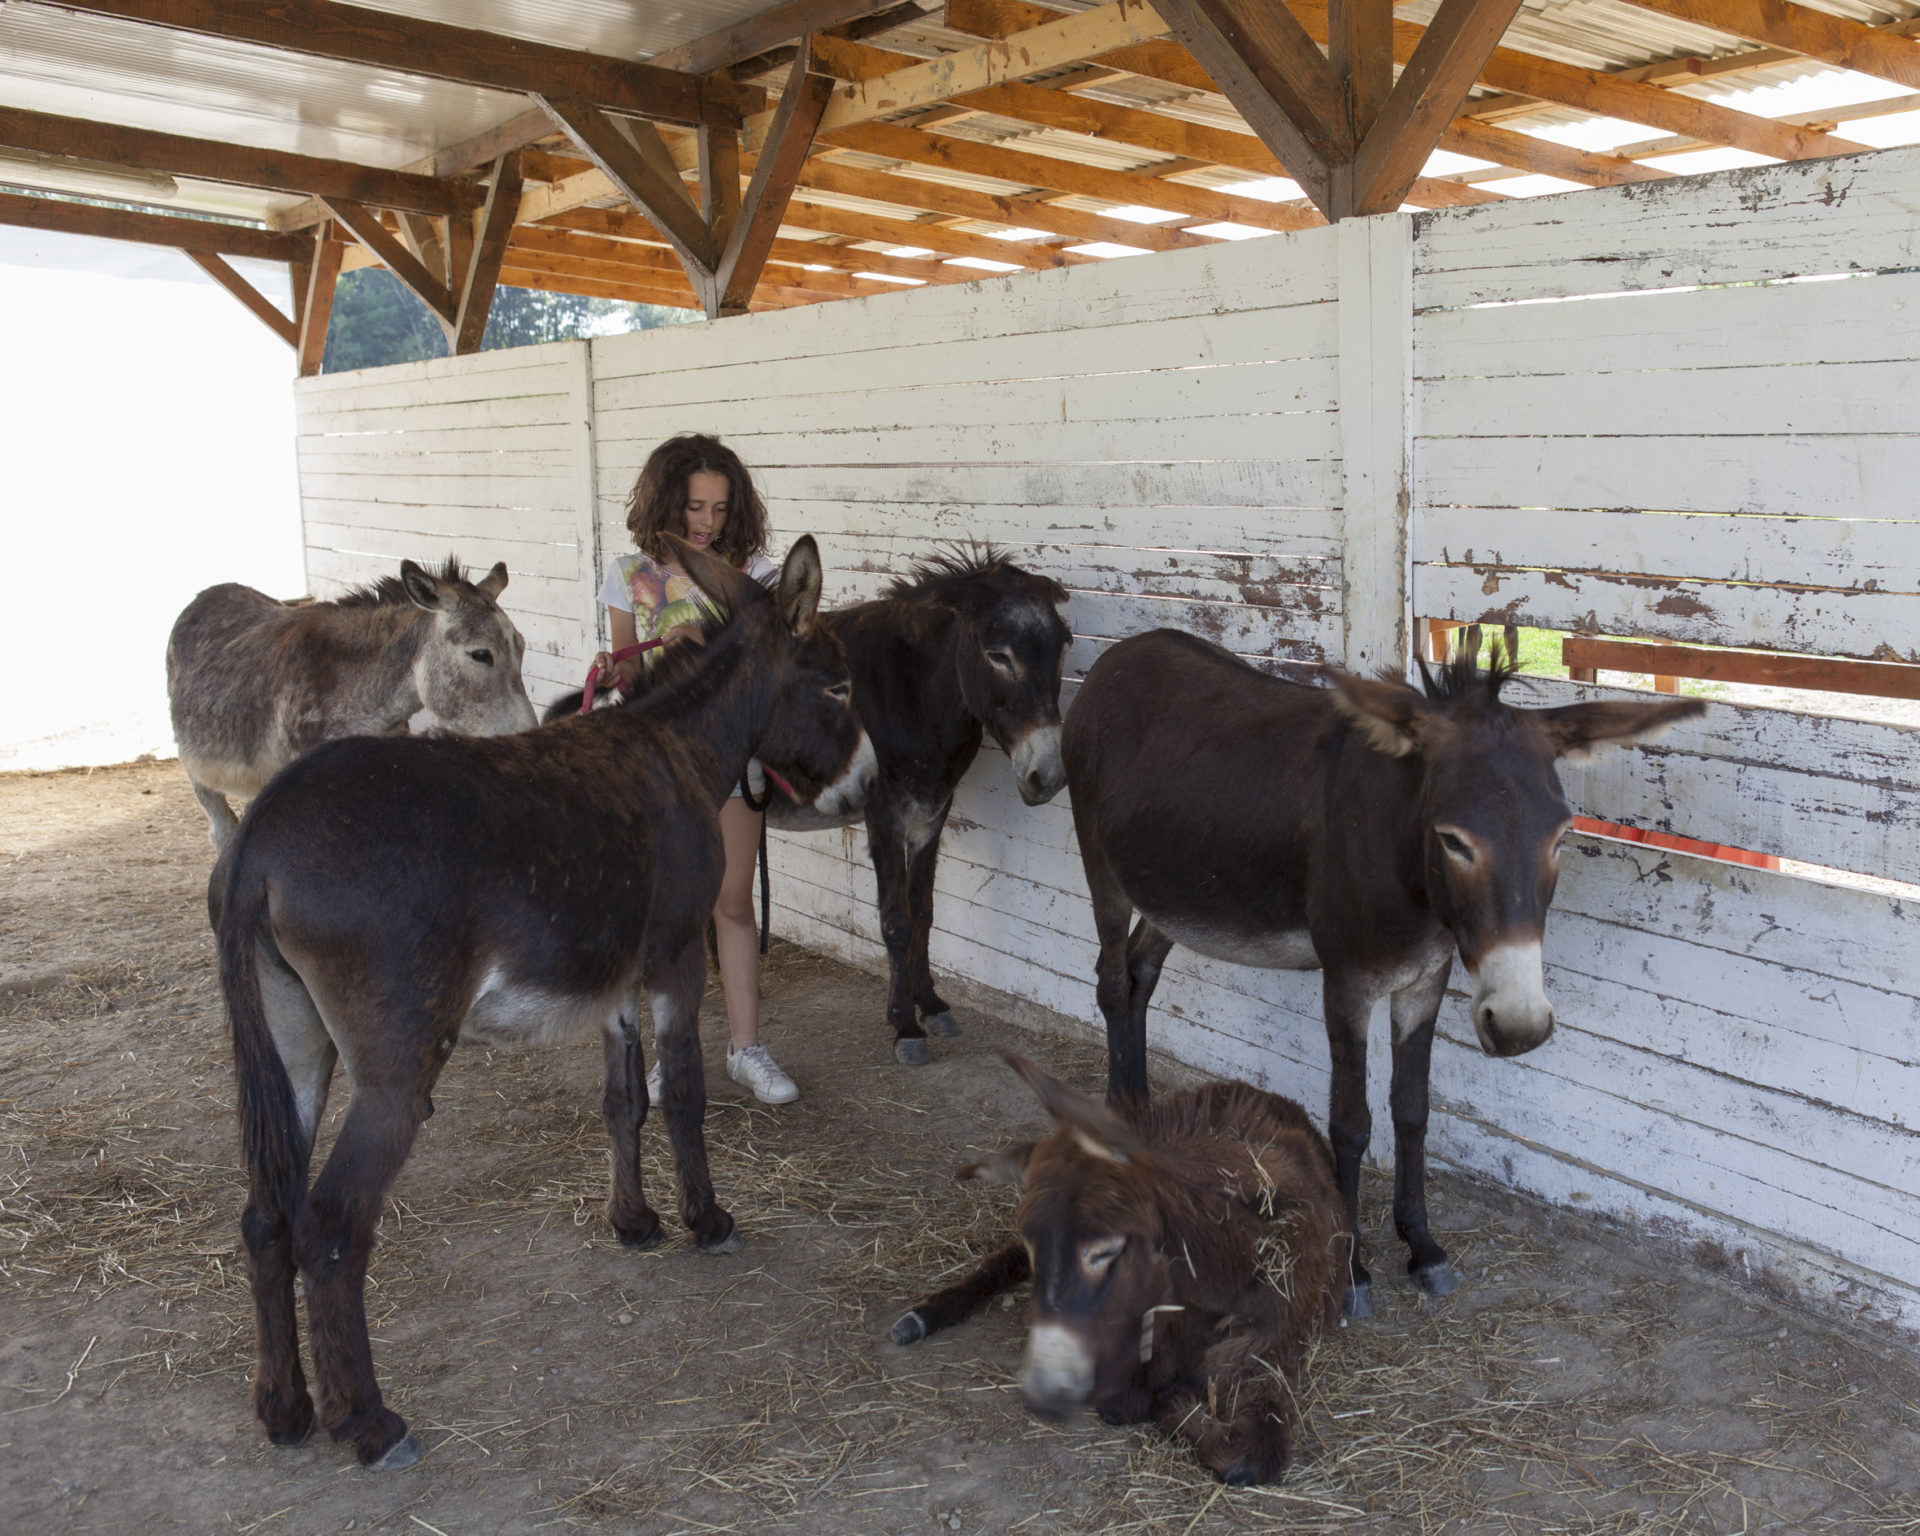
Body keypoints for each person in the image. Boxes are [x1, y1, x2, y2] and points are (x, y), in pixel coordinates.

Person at [590, 433, 798, 1106]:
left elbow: (772, 669)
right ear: (664, 502)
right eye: (694, 507)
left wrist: (705, 643)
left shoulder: (756, 575)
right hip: (658, 766)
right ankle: (674, 1058)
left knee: (731, 901)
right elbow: (629, 670)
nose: (706, 522)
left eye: (718, 508)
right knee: (669, 914)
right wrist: (616, 664)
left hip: (731, 761)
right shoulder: (631, 574)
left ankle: (746, 1050)